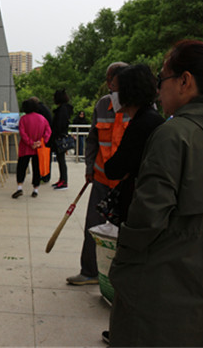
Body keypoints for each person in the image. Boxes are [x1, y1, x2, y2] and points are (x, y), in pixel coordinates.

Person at [108, 40, 203, 347]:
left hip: (163, 284)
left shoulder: (174, 133)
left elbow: (148, 217)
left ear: (185, 81)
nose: (159, 90)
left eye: (162, 79)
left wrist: (121, 262)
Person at [66, 62, 130, 286]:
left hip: (127, 184)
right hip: (102, 180)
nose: (110, 85)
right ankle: (90, 271)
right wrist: (89, 168)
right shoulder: (103, 105)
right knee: (93, 226)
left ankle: (121, 279)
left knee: (126, 232)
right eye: (110, 81)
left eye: (114, 80)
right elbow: (92, 140)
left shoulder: (140, 106)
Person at [103, 65, 165, 226]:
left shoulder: (141, 124)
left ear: (128, 91)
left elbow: (114, 168)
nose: (112, 95)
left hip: (137, 209)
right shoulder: (151, 118)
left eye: (115, 90)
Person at [12, 98, 52, 198]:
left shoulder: (23, 119)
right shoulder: (42, 118)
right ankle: (35, 189)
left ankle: (19, 187)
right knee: (36, 168)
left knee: (21, 167)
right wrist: (41, 142)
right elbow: (48, 131)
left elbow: (22, 133)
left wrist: (31, 143)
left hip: (26, 148)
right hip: (38, 149)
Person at [50, 89, 73, 190]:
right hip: (60, 137)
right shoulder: (65, 109)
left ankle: (64, 181)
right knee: (60, 160)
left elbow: (60, 124)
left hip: (59, 138)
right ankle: (62, 179)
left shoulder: (62, 110)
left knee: (61, 160)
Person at [32, 97, 53, 183]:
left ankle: (44, 175)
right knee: (46, 157)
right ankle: (46, 175)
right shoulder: (43, 108)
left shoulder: (39, 110)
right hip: (47, 136)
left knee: (43, 157)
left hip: (43, 137)